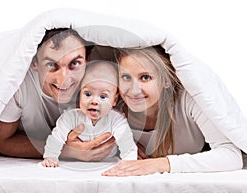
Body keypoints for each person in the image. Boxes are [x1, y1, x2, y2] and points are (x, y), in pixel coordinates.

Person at [101, 46, 243, 176]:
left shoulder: (189, 100)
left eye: (145, 77)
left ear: (166, 80)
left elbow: (232, 156)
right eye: (126, 77)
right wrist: (119, 145)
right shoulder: (112, 109)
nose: (134, 90)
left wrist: (161, 164)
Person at [0, 28, 116, 161]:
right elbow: (1, 142)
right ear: (34, 63)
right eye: (51, 65)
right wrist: (63, 150)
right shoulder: (19, 85)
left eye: (74, 63)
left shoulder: (101, 80)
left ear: (87, 60)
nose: (63, 79)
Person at [41, 60, 137, 167]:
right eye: (87, 94)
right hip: (76, 161)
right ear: (80, 93)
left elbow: (126, 142)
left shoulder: (116, 119)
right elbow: (56, 137)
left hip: (108, 160)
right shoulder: (71, 116)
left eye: (103, 97)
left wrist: (129, 161)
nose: (94, 101)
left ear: (114, 100)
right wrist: (51, 157)